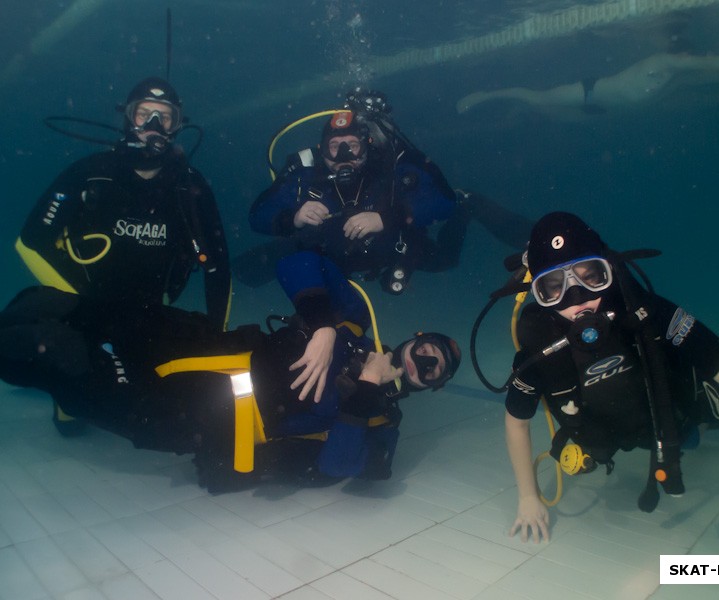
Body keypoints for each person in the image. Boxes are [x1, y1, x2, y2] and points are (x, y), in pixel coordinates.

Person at [0, 251, 460, 492]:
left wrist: (365, 387)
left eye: (434, 370)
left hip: (200, 415)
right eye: (428, 349)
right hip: (204, 342)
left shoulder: (383, 424)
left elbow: (340, 466)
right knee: (57, 306)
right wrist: (323, 324)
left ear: (433, 387)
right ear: (414, 338)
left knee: (57, 358)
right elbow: (298, 262)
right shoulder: (356, 319)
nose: (423, 361)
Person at [503, 212, 719, 543]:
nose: (578, 299)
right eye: (553, 288)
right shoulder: (539, 349)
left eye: (592, 277)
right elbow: (517, 421)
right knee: (694, 436)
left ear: (609, 270)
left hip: (679, 403)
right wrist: (528, 497)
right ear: (537, 293)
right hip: (640, 430)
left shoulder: (644, 313)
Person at [16, 76, 231, 330]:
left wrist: (218, 332)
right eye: (144, 114)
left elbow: (217, 268)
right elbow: (31, 243)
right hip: (80, 309)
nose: (154, 124)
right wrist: (79, 301)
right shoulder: (90, 173)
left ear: (176, 125)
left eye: (164, 117)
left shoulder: (191, 187)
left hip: (151, 316)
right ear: (128, 118)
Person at [245, 91, 466, 294]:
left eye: (352, 145)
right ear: (321, 149)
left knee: (447, 260)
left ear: (367, 146)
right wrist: (292, 219)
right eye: (335, 146)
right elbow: (257, 216)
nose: (344, 155)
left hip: (393, 249)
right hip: (331, 255)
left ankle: (472, 204)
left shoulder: (389, 165)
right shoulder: (306, 171)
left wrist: (387, 218)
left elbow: (444, 201)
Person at [457, 53, 719, 119]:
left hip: (603, 110)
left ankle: (515, 110)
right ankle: (486, 97)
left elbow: (708, 70)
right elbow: (705, 65)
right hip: (589, 92)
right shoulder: (660, 64)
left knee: (545, 112)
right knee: (537, 99)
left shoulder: (674, 78)